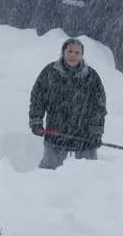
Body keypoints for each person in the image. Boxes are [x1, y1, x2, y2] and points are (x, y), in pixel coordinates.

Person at [29, 37, 108, 170]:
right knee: (48, 174)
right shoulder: (50, 72)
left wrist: (96, 131)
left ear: (82, 55)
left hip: (84, 136)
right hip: (55, 132)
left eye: (77, 52)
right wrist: (36, 120)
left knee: (89, 174)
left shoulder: (91, 76)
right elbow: (37, 98)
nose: (73, 55)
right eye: (69, 51)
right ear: (63, 52)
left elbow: (99, 106)